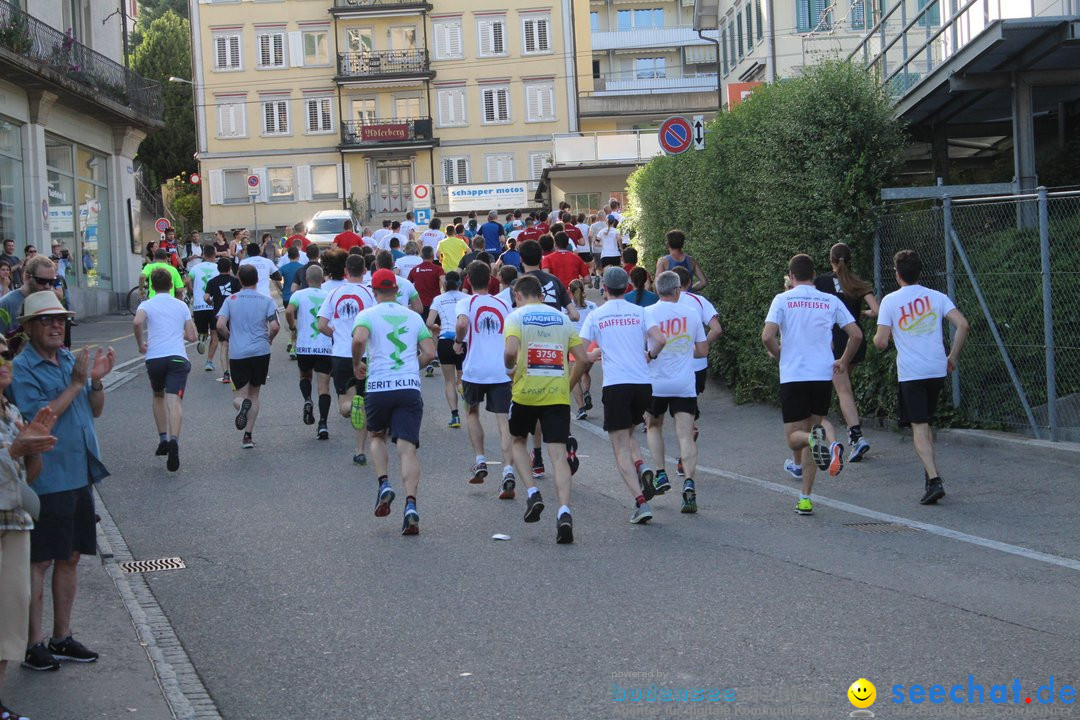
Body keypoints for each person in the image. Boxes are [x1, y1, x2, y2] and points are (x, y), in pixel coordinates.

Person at [12, 291, 114, 673]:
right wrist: (75, 384)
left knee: (71, 557)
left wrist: (98, 383)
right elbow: (38, 422)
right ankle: (33, 644)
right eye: (47, 321)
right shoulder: (23, 368)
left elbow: (95, 411)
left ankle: (62, 636)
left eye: (61, 321)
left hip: (79, 473)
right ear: (28, 328)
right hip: (47, 477)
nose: (57, 326)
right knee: (39, 562)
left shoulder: (70, 360)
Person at [761, 254, 862, 516]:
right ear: (814, 275)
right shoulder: (829, 300)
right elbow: (856, 334)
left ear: (791, 276)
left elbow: (767, 336)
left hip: (794, 375)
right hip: (821, 375)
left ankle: (814, 442)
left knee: (796, 439)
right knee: (814, 430)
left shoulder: (782, 299)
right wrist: (843, 360)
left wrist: (781, 355)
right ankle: (805, 497)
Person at [874, 249, 969, 505]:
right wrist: (952, 357)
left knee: (919, 427)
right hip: (937, 369)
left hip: (912, 372)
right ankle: (930, 479)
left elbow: (881, 342)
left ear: (897, 274)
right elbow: (963, 324)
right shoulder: (936, 297)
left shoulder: (891, 301)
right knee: (926, 424)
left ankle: (935, 479)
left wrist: (884, 334)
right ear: (919, 273)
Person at [504, 275, 588, 543]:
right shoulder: (562, 318)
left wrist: (510, 368)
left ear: (518, 295)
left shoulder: (516, 317)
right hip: (556, 395)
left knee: (517, 441)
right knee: (558, 455)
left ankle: (532, 492)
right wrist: (568, 385)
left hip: (525, 393)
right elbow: (583, 358)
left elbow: (510, 351)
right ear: (541, 295)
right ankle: (564, 510)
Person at [579, 267, 666, 524]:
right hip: (642, 383)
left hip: (616, 384)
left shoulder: (597, 315)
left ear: (604, 288)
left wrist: (593, 356)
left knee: (619, 447)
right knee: (629, 430)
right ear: (627, 286)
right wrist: (649, 356)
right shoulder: (640, 312)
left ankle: (641, 503)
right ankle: (642, 465)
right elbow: (660, 339)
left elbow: (581, 351)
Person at [352, 269, 435, 535]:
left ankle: (384, 484)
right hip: (408, 386)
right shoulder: (413, 317)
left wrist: (356, 363)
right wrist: (414, 367)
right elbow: (430, 352)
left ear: (374, 291)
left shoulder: (366, 315)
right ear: (397, 291)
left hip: (378, 386)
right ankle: (411, 504)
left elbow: (359, 339)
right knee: (407, 447)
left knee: (376, 436)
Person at [0, 333, 57, 720]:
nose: (5, 360)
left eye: (7, 353)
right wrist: (17, 450)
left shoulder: (9, 410)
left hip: (16, 524)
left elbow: (28, 475)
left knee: (10, 618)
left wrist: (32, 446)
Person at [643, 271, 709, 513]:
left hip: (655, 382)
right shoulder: (692, 314)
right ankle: (689, 483)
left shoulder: (647, 313)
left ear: (658, 290)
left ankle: (660, 473)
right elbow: (702, 350)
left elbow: (642, 347)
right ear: (678, 290)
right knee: (685, 434)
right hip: (684, 382)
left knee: (653, 426)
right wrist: (683, 351)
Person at [813, 242, 879, 463]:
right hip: (855, 339)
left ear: (831, 260)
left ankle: (856, 436)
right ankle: (850, 432)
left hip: (834, 340)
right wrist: (863, 313)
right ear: (849, 261)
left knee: (842, 389)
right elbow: (877, 310)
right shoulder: (858, 283)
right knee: (843, 385)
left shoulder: (820, 282)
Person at [454, 261, 516, 496]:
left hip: (474, 369)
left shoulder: (465, 301)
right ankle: (508, 469)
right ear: (490, 278)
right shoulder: (502, 304)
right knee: (503, 421)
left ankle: (480, 459)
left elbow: (461, 323)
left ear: (468, 279)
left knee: (472, 412)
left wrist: (459, 342)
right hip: (500, 369)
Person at [134, 269, 196, 472]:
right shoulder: (181, 305)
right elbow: (192, 336)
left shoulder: (146, 304)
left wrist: (141, 343)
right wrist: (181, 334)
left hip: (155, 358)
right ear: (171, 285)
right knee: (174, 400)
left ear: (152, 285)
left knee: (158, 395)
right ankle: (175, 440)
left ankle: (163, 438)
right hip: (177, 357)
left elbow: (137, 322)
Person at [317, 254, 375, 461]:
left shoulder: (334, 293)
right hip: (366, 354)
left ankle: (352, 406)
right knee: (365, 402)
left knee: (344, 405)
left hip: (341, 354)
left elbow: (321, 325)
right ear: (365, 271)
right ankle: (359, 451)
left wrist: (337, 334)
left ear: (345, 271)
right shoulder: (370, 294)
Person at [216, 265, 280, 449]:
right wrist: (269, 339)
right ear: (257, 280)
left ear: (240, 280)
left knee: (239, 395)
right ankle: (248, 436)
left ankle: (242, 405)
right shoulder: (266, 300)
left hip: (238, 353)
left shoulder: (231, 300)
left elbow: (220, 325)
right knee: (255, 394)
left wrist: (230, 337)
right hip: (261, 351)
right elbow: (275, 326)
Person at [287, 264, 333, 437]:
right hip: (325, 346)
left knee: (305, 376)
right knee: (324, 387)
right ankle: (323, 424)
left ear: (306, 280)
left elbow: (289, 311)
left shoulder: (298, 294)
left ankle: (307, 399)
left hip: (304, 346)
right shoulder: (329, 295)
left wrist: (293, 325)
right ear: (322, 279)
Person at [428, 271, 468, 428]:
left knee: (449, 381)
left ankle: (455, 416)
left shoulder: (438, 299)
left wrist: (437, 327)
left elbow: (429, 322)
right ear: (460, 283)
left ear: (445, 284)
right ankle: (463, 389)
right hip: (463, 340)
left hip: (445, 341)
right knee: (462, 377)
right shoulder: (467, 298)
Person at [204, 258, 241, 383]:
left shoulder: (212, 282)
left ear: (218, 268)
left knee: (224, 345)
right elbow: (241, 295)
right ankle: (239, 370)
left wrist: (211, 302)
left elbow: (206, 297)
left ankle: (226, 373)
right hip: (235, 315)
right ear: (229, 268)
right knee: (237, 343)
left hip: (219, 316)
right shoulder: (235, 281)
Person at [185, 244, 219, 370]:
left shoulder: (196, 267)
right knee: (215, 334)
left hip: (199, 305)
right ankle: (209, 362)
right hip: (214, 305)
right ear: (214, 255)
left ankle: (202, 339)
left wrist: (192, 290)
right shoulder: (218, 268)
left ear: (203, 255)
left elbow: (187, 281)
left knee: (202, 331)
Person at [567, 279, 596, 420]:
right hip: (591, 344)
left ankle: (581, 407)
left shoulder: (567, 308)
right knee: (584, 372)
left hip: (575, 344)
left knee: (574, 377)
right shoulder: (592, 306)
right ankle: (587, 392)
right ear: (583, 291)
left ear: (570, 292)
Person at [278, 245, 304, 309]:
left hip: (287, 297)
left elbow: (276, 279)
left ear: (288, 256)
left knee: (289, 317)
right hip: (300, 297)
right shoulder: (303, 267)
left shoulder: (283, 268)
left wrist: (281, 289)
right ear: (298, 255)